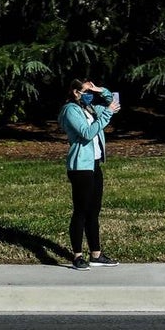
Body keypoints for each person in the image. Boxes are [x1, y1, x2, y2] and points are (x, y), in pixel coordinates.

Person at [58, 79, 121, 270]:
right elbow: (86, 132)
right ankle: (77, 255)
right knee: (81, 211)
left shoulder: (89, 108)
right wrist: (107, 113)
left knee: (94, 211)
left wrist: (99, 89)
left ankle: (96, 254)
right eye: (86, 91)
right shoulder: (70, 110)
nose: (90, 94)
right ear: (76, 92)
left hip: (94, 164)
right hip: (80, 166)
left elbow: (111, 101)